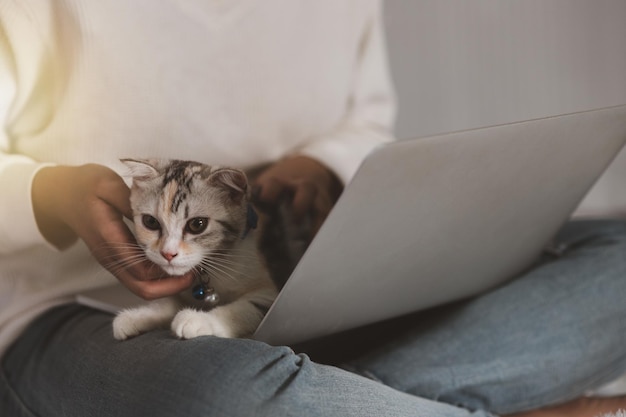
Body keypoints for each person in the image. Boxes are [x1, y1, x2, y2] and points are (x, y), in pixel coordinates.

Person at [1, 1, 625, 416]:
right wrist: (52, 196)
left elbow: (367, 118)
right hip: (76, 311)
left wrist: (324, 160)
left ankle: (324, 395)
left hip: (308, 285)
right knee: (216, 391)